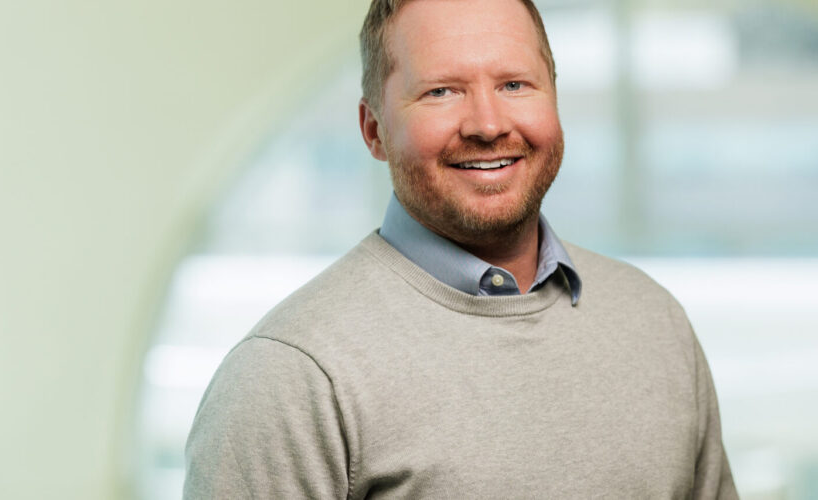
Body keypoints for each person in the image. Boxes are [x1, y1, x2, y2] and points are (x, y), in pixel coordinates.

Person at [182, 0, 738, 497]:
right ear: (372, 129)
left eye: (515, 85)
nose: (488, 124)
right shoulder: (290, 375)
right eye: (441, 91)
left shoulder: (654, 321)